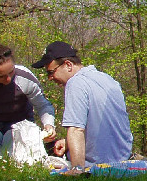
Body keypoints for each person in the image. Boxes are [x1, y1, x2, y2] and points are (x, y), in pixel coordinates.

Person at [32, 41, 133, 169]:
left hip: (97, 167)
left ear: (68, 65)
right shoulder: (107, 79)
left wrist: (78, 171)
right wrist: (68, 143)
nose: (50, 78)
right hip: (123, 160)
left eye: (51, 72)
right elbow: (101, 127)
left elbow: (76, 130)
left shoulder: (75, 83)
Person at [0, 43, 56, 159]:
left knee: (15, 158)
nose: (8, 79)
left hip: (19, 123)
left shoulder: (25, 78)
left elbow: (43, 105)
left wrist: (49, 124)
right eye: (1, 76)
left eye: (11, 72)